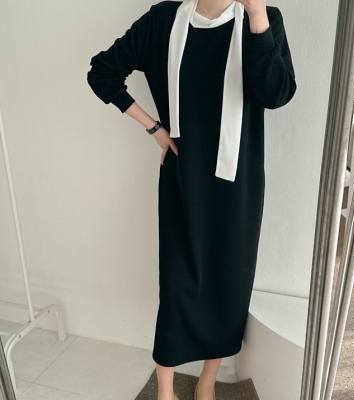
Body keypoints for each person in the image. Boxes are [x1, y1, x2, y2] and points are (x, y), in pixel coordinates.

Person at [87, 0, 296, 399]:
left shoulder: (265, 19)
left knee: (228, 283)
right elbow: (102, 72)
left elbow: (276, 94)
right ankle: (165, 388)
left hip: (238, 183)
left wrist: (256, 17)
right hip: (183, 179)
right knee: (177, 284)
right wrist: (154, 129)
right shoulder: (163, 20)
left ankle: (206, 381)